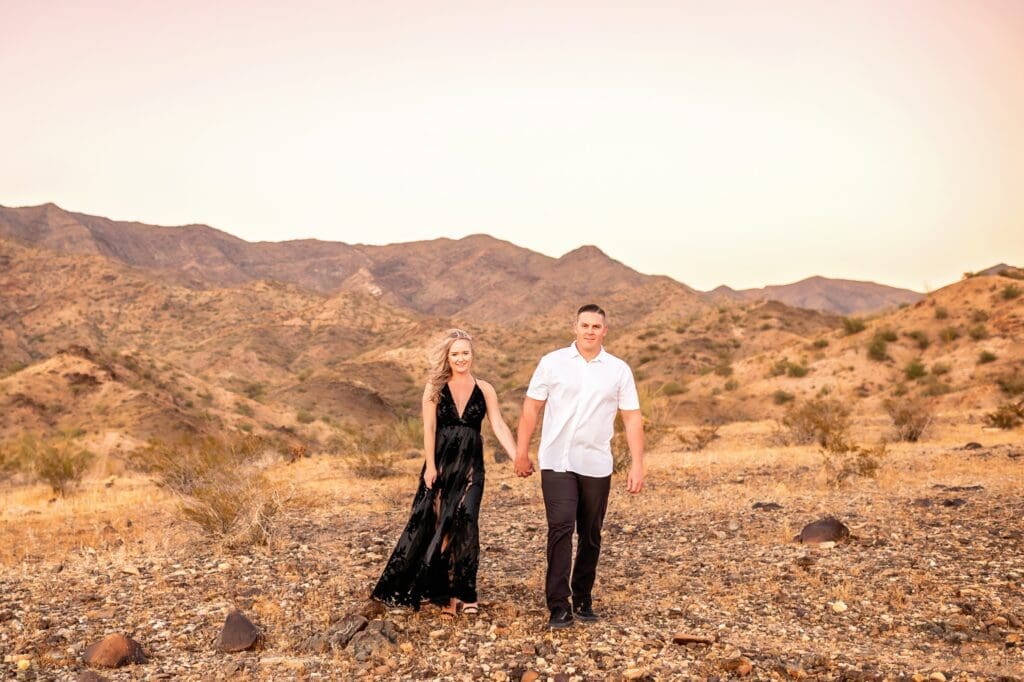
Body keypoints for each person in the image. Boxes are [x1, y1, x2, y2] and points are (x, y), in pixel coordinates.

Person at [515, 304, 644, 629]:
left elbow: (631, 418)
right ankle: (558, 605)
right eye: (584, 325)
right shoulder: (552, 363)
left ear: (605, 331)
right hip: (556, 460)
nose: (590, 331)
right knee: (560, 527)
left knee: (590, 533)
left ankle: (582, 596)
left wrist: (638, 464)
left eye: (596, 326)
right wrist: (521, 452)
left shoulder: (618, 370)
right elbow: (531, 409)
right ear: (575, 327)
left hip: (596, 462)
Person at [373, 329, 517, 618]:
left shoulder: (485, 389)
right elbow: (428, 429)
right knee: (442, 528)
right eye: (455, 354)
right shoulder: (434, 387)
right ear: (447, 357)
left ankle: (467, 594)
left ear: (472, 355)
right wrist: (429, 465)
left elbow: (498, 425)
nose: (461, 358)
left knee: (467, 523)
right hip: (441, 465)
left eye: (465, 352)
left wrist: (518, 457)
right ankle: (446, 597)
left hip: (472, 466)